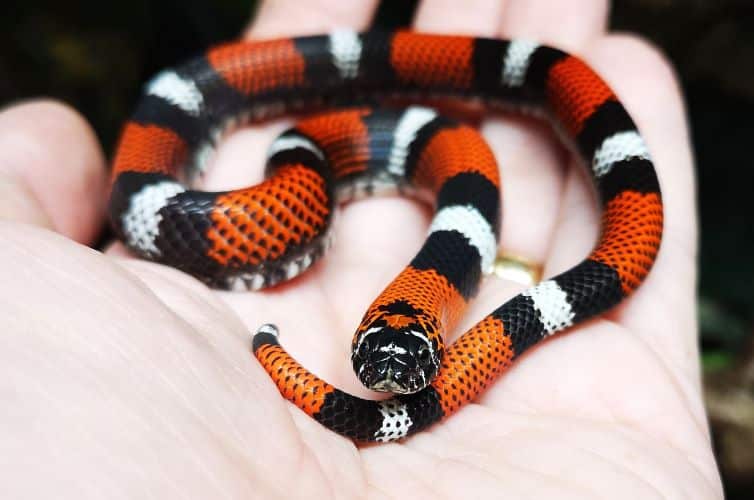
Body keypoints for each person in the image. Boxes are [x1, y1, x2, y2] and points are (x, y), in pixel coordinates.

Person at [0, 0, 723, 497]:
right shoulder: (327, 188)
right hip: (328, 158)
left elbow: (612, 251)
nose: (395, 374)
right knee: (284, 147)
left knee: (545, 89)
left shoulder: (447, 228)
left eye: (418, 359)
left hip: (428, 162)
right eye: (382, 351)